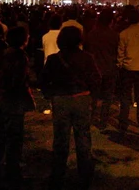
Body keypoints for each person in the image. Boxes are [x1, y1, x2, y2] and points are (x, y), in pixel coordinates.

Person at [41, 27, 101, 190]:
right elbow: (96, 79)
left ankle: (58, 174)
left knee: (60, 138)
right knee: (83, 137)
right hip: (81, 98)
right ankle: (85, 174)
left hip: (61, 100)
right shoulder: (87, 58)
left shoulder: (54, 59)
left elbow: (44, 81)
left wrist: (51, 95)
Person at [0, 26, 33, 189]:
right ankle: (12, 171)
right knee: (14, 138)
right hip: (13, 102)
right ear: (24, 40)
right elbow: (18, 80)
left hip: (0, 100)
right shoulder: (21, 57)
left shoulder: (2, 54)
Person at [86, 9, 119, 129]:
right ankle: (103, 121)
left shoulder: (91, 34)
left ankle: (91, 117)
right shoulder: (114, 35)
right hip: (109, 68)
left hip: (94, 68)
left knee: (93, 96)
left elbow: (87, 51)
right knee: (107, 97)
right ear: (111, 21)